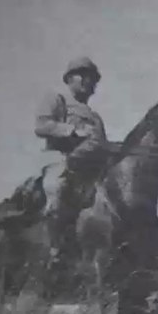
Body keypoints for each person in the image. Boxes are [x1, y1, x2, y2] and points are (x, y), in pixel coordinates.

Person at [34, 56, 108, 268]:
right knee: (58, 188)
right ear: (68, 79)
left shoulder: (95, 117)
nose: (86, 80)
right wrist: (72, 130)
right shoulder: (57, 98)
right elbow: (41, 126)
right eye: (80, 75)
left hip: (89, 170)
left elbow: (102, 146)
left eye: (91, 77)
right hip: (60, 159)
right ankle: (54, 248)